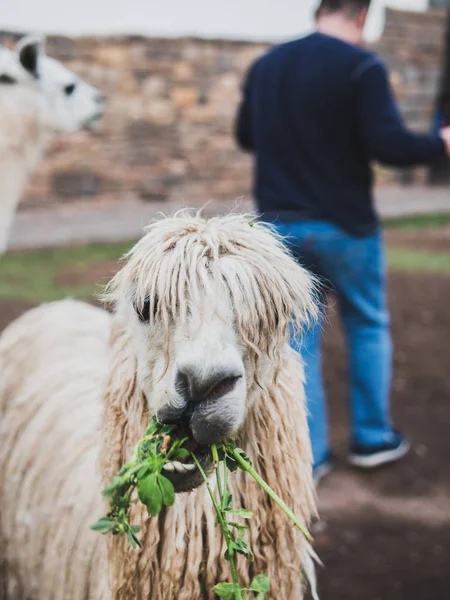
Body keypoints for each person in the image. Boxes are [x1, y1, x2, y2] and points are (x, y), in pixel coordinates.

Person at [235, 0, 450, 483]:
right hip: (346, 228)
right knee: (368, 324)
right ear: (362, 14)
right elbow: (390, 146)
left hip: (279, 227)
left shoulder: (267, 65)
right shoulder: (362, 68)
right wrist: (441, 143)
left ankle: (309, 456)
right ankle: (373, 438)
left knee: (296, 340)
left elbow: (247, 136)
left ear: (320, 10)